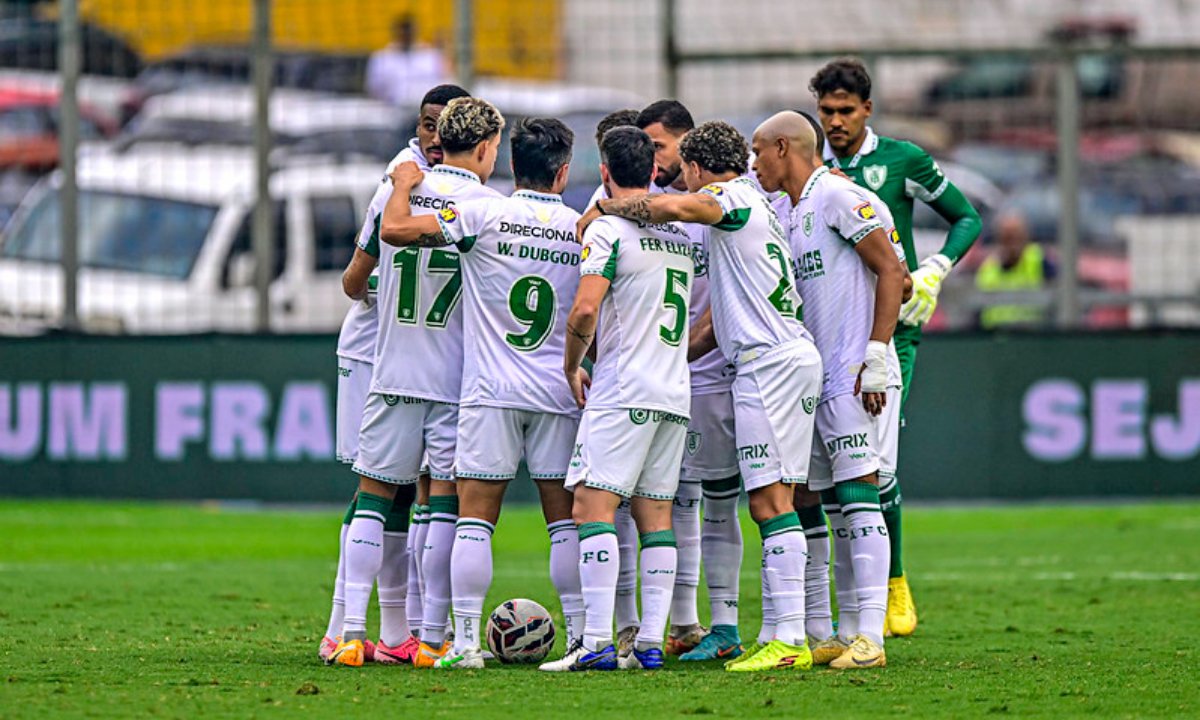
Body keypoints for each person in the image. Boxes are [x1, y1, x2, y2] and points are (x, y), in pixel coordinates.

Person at [579, 121, 822, 673]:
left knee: (769, 502)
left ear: (693, 167)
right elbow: (715, 323)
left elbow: (675, 210)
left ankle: (788, 639)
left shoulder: (730, 198)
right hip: (776, 359)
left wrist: (607, 211)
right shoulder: (754, 211)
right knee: (770, 499)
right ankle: (785, 633)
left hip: (771, 365)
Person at [373, 117, 586, 670]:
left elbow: (395, 231)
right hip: (555, 393)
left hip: (491, 391)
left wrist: (401, 185)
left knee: (474, 519)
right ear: (564, 172)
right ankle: (583, 636)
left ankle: (464, 644)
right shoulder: (580, 227)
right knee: (563, 522)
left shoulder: (483, 213)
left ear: (512, 164)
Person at [326, 97, 505, 668]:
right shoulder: (487, 206)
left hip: (394, 370)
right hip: (455, 381)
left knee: (374, 498)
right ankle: (430, 640)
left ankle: (352, 634)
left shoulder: (392, 192)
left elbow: (357, 279)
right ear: (481, 148)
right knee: (444, 506)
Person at [812, 58, 982, 635]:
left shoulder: (900, 161)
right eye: (826, 111)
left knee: (875, 463)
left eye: (844, 111)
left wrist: (935, 269)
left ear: (867, 110)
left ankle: (894, 585)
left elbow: (965, 218)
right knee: (828, 471)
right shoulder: (811, 167)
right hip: (827, 331)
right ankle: (845, 599)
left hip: (891, 329)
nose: (834, 121)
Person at [754, 111, 908, 669]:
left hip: (851, 374)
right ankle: (834, 632)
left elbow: (895, 272)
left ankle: (872, 636)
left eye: (757, 153)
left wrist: (874, 356)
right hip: (808, 378)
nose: (753, 165)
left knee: (860, 492)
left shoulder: (840, 197)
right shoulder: (784, 209)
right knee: (817, 501)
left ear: (782, 148)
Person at [539, 126, 695, 672]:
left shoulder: (607, 231)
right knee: (656, 515)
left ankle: (597, 643)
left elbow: (585, 309)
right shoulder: (678, 233)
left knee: (590, 507)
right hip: (674, 391)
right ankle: (650, 642)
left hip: (624, 387)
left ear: (604, 171)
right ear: (652, 170)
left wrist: (572, 363)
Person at [634, 100, 745, 661]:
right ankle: (683, 622)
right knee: (670, 496)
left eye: (659, 146)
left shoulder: (709, 207)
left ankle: (726, 621)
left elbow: (720, 304)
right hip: (670, 374)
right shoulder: (664, 206)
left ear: (687, 144)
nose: (654, 158)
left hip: (711, 371)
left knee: (719, 499)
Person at [976, 212, 1055, 329]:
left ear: (1026, 237)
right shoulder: (988, 269)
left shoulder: (1039, 260)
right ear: (999, 239)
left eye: (1017, 237)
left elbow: (1057, 298)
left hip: (1033, 335)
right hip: (997, 338)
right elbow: (978, 311)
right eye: (1007, 238)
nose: (1012, 244)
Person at [366, 15, 451, 108]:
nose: (406, 34)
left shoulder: (431, 56)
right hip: (392, 109)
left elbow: (444, 82)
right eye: (403, 31)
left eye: (408, 30)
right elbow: (374, 88)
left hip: (426, 107)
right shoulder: (382, 58)